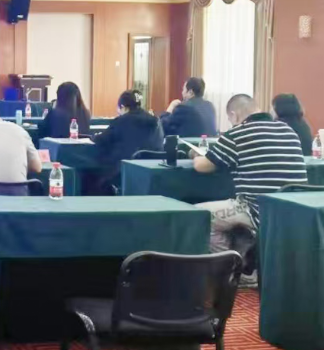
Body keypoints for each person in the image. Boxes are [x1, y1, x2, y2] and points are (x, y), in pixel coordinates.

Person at [192, 93, 306, 253]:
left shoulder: (237, 133)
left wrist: (195, 155)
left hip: (257, 210)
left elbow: (202, 166)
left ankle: (227, 263)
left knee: (197, 216)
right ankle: (246, 258)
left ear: (234, 115)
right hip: (294, 210)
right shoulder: (288, 130)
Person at [91, 90, 164, 194]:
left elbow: (101, 140)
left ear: (123, 107)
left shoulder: (121, 121)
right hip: (151, 175)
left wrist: (94, 137)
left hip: (122, 173)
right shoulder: (156, 121)